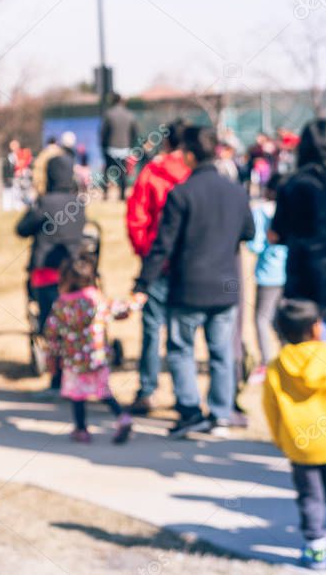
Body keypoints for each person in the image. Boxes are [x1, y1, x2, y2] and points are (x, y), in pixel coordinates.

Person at [134, 126, 255, 438]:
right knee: (221, 352)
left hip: (188, 284)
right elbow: (249, 232)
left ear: (189, 155)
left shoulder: (182, 194)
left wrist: (143, 283)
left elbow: (163, 245)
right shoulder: (236, 192)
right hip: (226, 285)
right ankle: (221, 412)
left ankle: (190, 412)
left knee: (181, 349)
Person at [262, 299, 326, 571]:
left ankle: (316, 549)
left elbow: (271, 408)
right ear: (316, 327)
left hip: (299, 444)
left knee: (309, 497)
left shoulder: (276, 365)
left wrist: (280, 439)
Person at [271, 119, 326, 366]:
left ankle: (318, 404)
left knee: (310, 355)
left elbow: (277, 233)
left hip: (303, 279)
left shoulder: (291, 184)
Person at [124, 119, 190, 413]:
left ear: (166, 142)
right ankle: (184, 396)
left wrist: (146, 253)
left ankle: (147, 390)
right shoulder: (193, 174)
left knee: (152, 329)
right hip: (189, 262)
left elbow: (136, 217)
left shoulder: (151, 173)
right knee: (184, 333)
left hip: (156, 262)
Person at [16, 154, 87, 396]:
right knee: (72, 329)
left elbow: (21, 228)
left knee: (52, 329)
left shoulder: (45, 203)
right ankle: (74, 376)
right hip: (73, 277)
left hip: (46, 275)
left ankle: (57, 380)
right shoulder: (79, 203)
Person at [45, 255, 133, 444]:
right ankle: (122, 417)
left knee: (78, 395)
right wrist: (133, 304)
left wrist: (52, 355)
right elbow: (121, 309)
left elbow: (51, 331)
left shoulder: (62, 304)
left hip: (73, 359)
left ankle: (81, 429)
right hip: (98, 357)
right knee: (104, 392)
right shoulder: (97, 298)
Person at [247, 173, 287, 383]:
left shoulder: (261, 211)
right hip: (288, 272)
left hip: (268, 274)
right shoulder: (293, 209)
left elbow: (255, 244)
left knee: (262, 319)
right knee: (283, 319)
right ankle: (288, 357)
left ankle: (267, 362)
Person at [100, 93, 138, 200]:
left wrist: (103, 146)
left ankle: (105, 194)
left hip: (110, 149)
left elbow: (103, 133)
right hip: (125, 149)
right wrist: (130, 145)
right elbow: (135, 132)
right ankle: (122, 196)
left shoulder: (108, 114)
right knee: (122, 173)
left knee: (107, 172)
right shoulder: (129, 114)